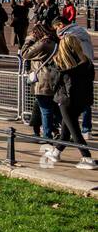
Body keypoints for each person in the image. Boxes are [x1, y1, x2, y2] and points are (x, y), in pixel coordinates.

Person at [42, 35, 95, 170]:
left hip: (66, 100)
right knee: (66, 128)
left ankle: (87, 157)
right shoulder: (87, 62)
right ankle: (56, 152)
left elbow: (53, 82)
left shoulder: (60, 62)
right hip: (83, 99)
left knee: (74, 130)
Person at [21, 23, 61, 147]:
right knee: (50, 108)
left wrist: (29, 39)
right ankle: (59, 132)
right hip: (51, 78)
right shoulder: (53, 42)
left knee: (46, 110)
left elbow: (25, 53)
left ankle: (47, 136)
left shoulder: (43, 43)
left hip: (43, 80)